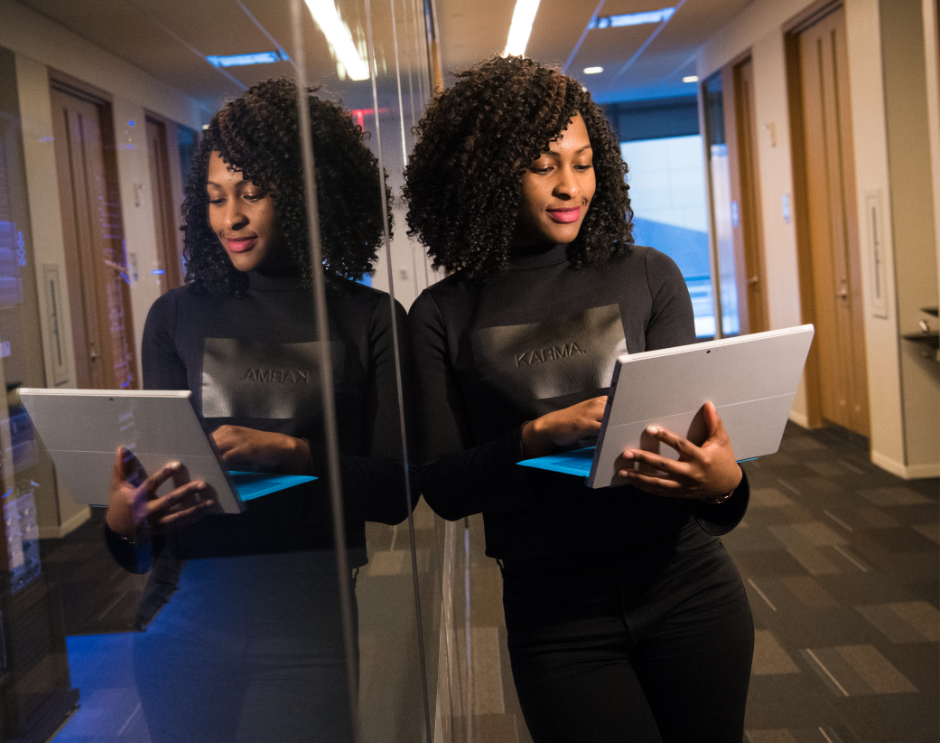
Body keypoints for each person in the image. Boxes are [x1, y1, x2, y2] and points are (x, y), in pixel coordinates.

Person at [405, 56, 753, 743]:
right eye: (544, 165)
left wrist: (725, 485)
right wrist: (535, 438)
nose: (572, 186)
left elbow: (704, 456)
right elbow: (443, 486)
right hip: (557, 616)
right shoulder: (443, 313)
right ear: (489, 173)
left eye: (584, 161)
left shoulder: (648, 275)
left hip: (687, 586)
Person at [104, 77, 414, 743]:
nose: (230, 218)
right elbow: (152, 503)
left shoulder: (369, 319)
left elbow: (397, 491)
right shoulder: (174, 318)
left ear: (307, 196)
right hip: (181, 611)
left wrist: (295, 453)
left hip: (308, 620)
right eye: (216, 198)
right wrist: (123, 522)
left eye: (252, 193)